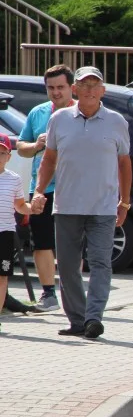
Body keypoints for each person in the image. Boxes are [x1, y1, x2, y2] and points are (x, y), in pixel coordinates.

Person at [31, 66, 132, 340]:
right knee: (66, 265)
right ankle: (77, 320)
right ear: (74, 89)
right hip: (67, 205)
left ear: (103, 90)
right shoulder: (60, 119)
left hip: (103, 207)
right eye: (83, 84)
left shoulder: (116, 121)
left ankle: (93, 317)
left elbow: (124, 163)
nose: (88, 89)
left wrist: (124, 203)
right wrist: (39, 191)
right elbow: (49, 158)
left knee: (100, 262)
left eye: (94, 84)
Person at [15, 64, 76, 312]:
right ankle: (48, 294)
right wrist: (36, 145)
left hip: (73, 188)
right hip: (41, 188)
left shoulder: (82, 112)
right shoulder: (38, 113)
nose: (56, 92)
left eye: (61, 87)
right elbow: (20, 146)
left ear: (71, 87)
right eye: (51, 88)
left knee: (71, 244)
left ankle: (72, 294)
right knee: (42, 243)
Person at [0, 135, 35, 334]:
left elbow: (20, 206)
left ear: (8, 156)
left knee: (2, 275)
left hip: (5, 232)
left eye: (2, 153)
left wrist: (33, 208)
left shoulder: (14, 179)